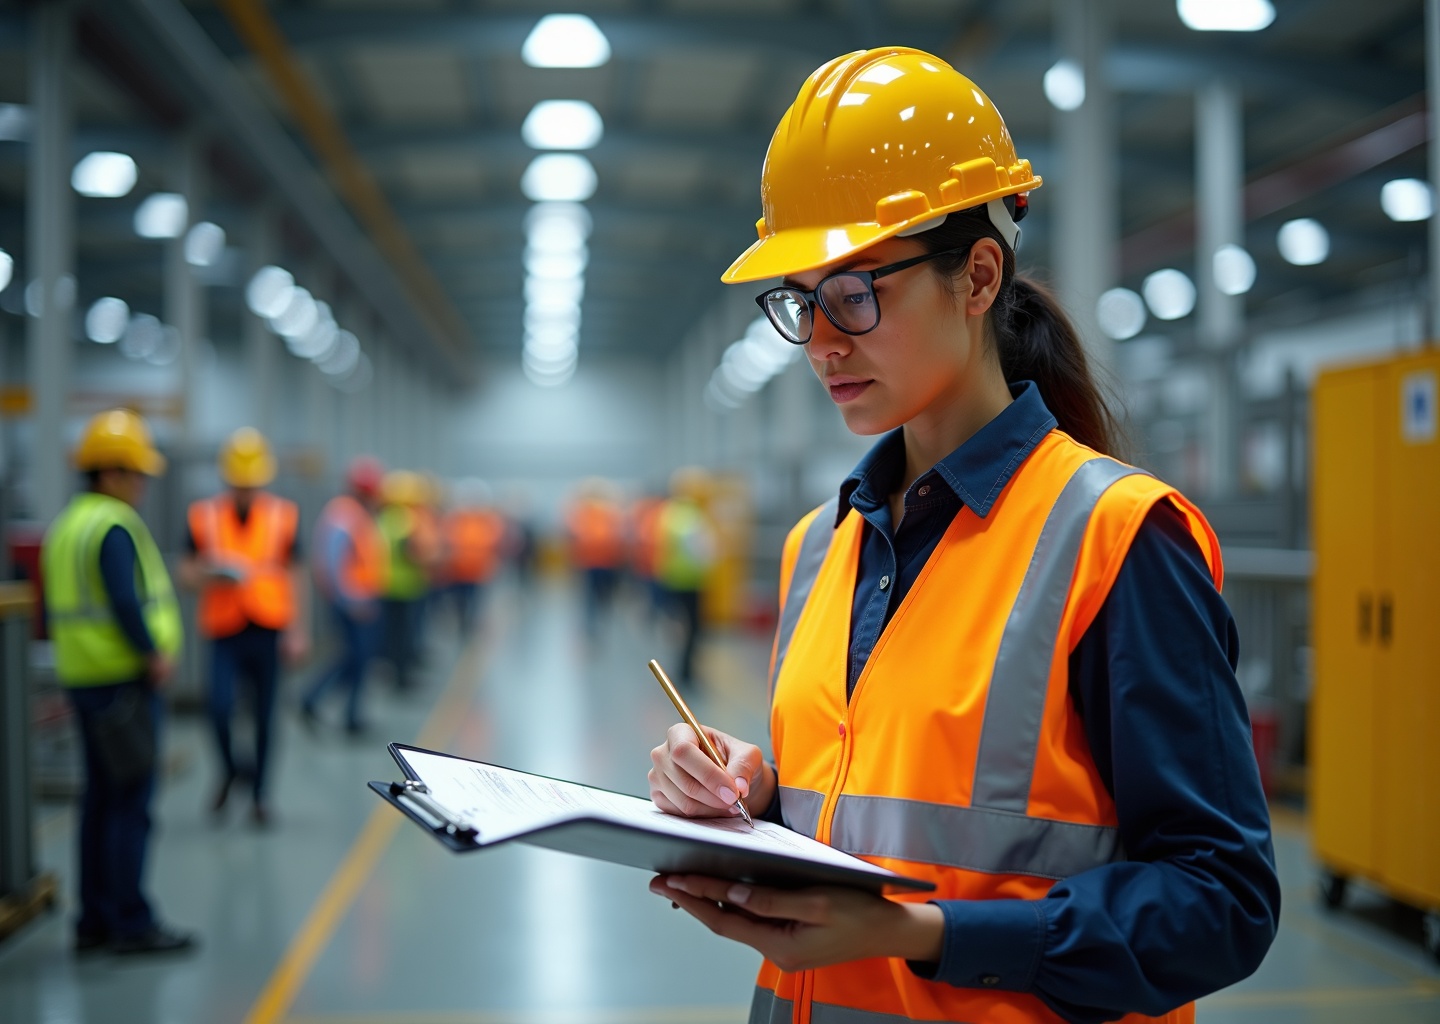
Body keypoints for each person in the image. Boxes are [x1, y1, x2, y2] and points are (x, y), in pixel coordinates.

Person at [647, 48, 1279, 1024]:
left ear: (977, 276)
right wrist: (750, 796)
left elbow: (1222, 901)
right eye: (801, 301)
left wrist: (931, 935)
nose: (820, 340)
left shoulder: (1116, 539)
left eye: (856, 293)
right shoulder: (821, 546)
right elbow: (876, 804)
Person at [41, 409, 194, 955]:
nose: (143, 484)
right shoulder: (113, 525)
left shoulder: (67, 525)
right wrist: (152, 653)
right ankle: (130, 921)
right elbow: (125, 601)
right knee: (130, 804)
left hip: (85, 678)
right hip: (122, 683)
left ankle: (95, 921)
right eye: (137, 473)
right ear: (109, 472)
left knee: (101, 801)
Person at [179, 427, 307, 826]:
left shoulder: (283, 515)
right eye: (239, 483)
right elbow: (185, 571)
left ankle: (260, 795)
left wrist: (297, 628)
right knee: (218, 708)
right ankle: (232, 769)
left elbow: (295, 572)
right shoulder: (204, 515)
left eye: (251, 484)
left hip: (269, 626)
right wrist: (209, 575)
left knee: (267, 715)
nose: (245, 490)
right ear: (226, 479)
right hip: (224, 628)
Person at [301, 456, 386, 734]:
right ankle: (336, 709)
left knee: (356, 659)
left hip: (361, 600)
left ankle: (323, 702)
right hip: (352, 603)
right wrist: (348, 601)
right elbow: (333, 562)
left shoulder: (354, 513)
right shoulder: (345, 514)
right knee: (355, 657)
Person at [376, 470, 440, 690]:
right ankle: (401, 678)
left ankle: (393, 670)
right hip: (405, 586)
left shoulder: (385, 517)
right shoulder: (406, 519)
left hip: (386, 584)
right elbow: (411, 551)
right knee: (403, 636)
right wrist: (433, 557)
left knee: (392, 634)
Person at [654, 468, 718, 687]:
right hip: (691, 581)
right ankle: (686, 672)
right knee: (693, 629)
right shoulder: (691, 515)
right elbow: (702, 549)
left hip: (671, 578)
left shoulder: (668, 513)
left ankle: (681, 669)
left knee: (679, 627)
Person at [563, 478, 625, 637]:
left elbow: (571, 534)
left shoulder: (581, 510)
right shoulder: (611, 509)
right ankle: (601, 624)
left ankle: (592, 627)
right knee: (602, 595)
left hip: (589, 560)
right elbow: (619, 534)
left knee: (590, 597)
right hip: (606, 560)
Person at [441, 478, 505, 630]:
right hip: (457, 569)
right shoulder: (455, 519)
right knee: (459, 601)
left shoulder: (487, 521)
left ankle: (470, 624)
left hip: (478, 570)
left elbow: (495, 544)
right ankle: (462, 622)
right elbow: (447, 540)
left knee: (474, 601)